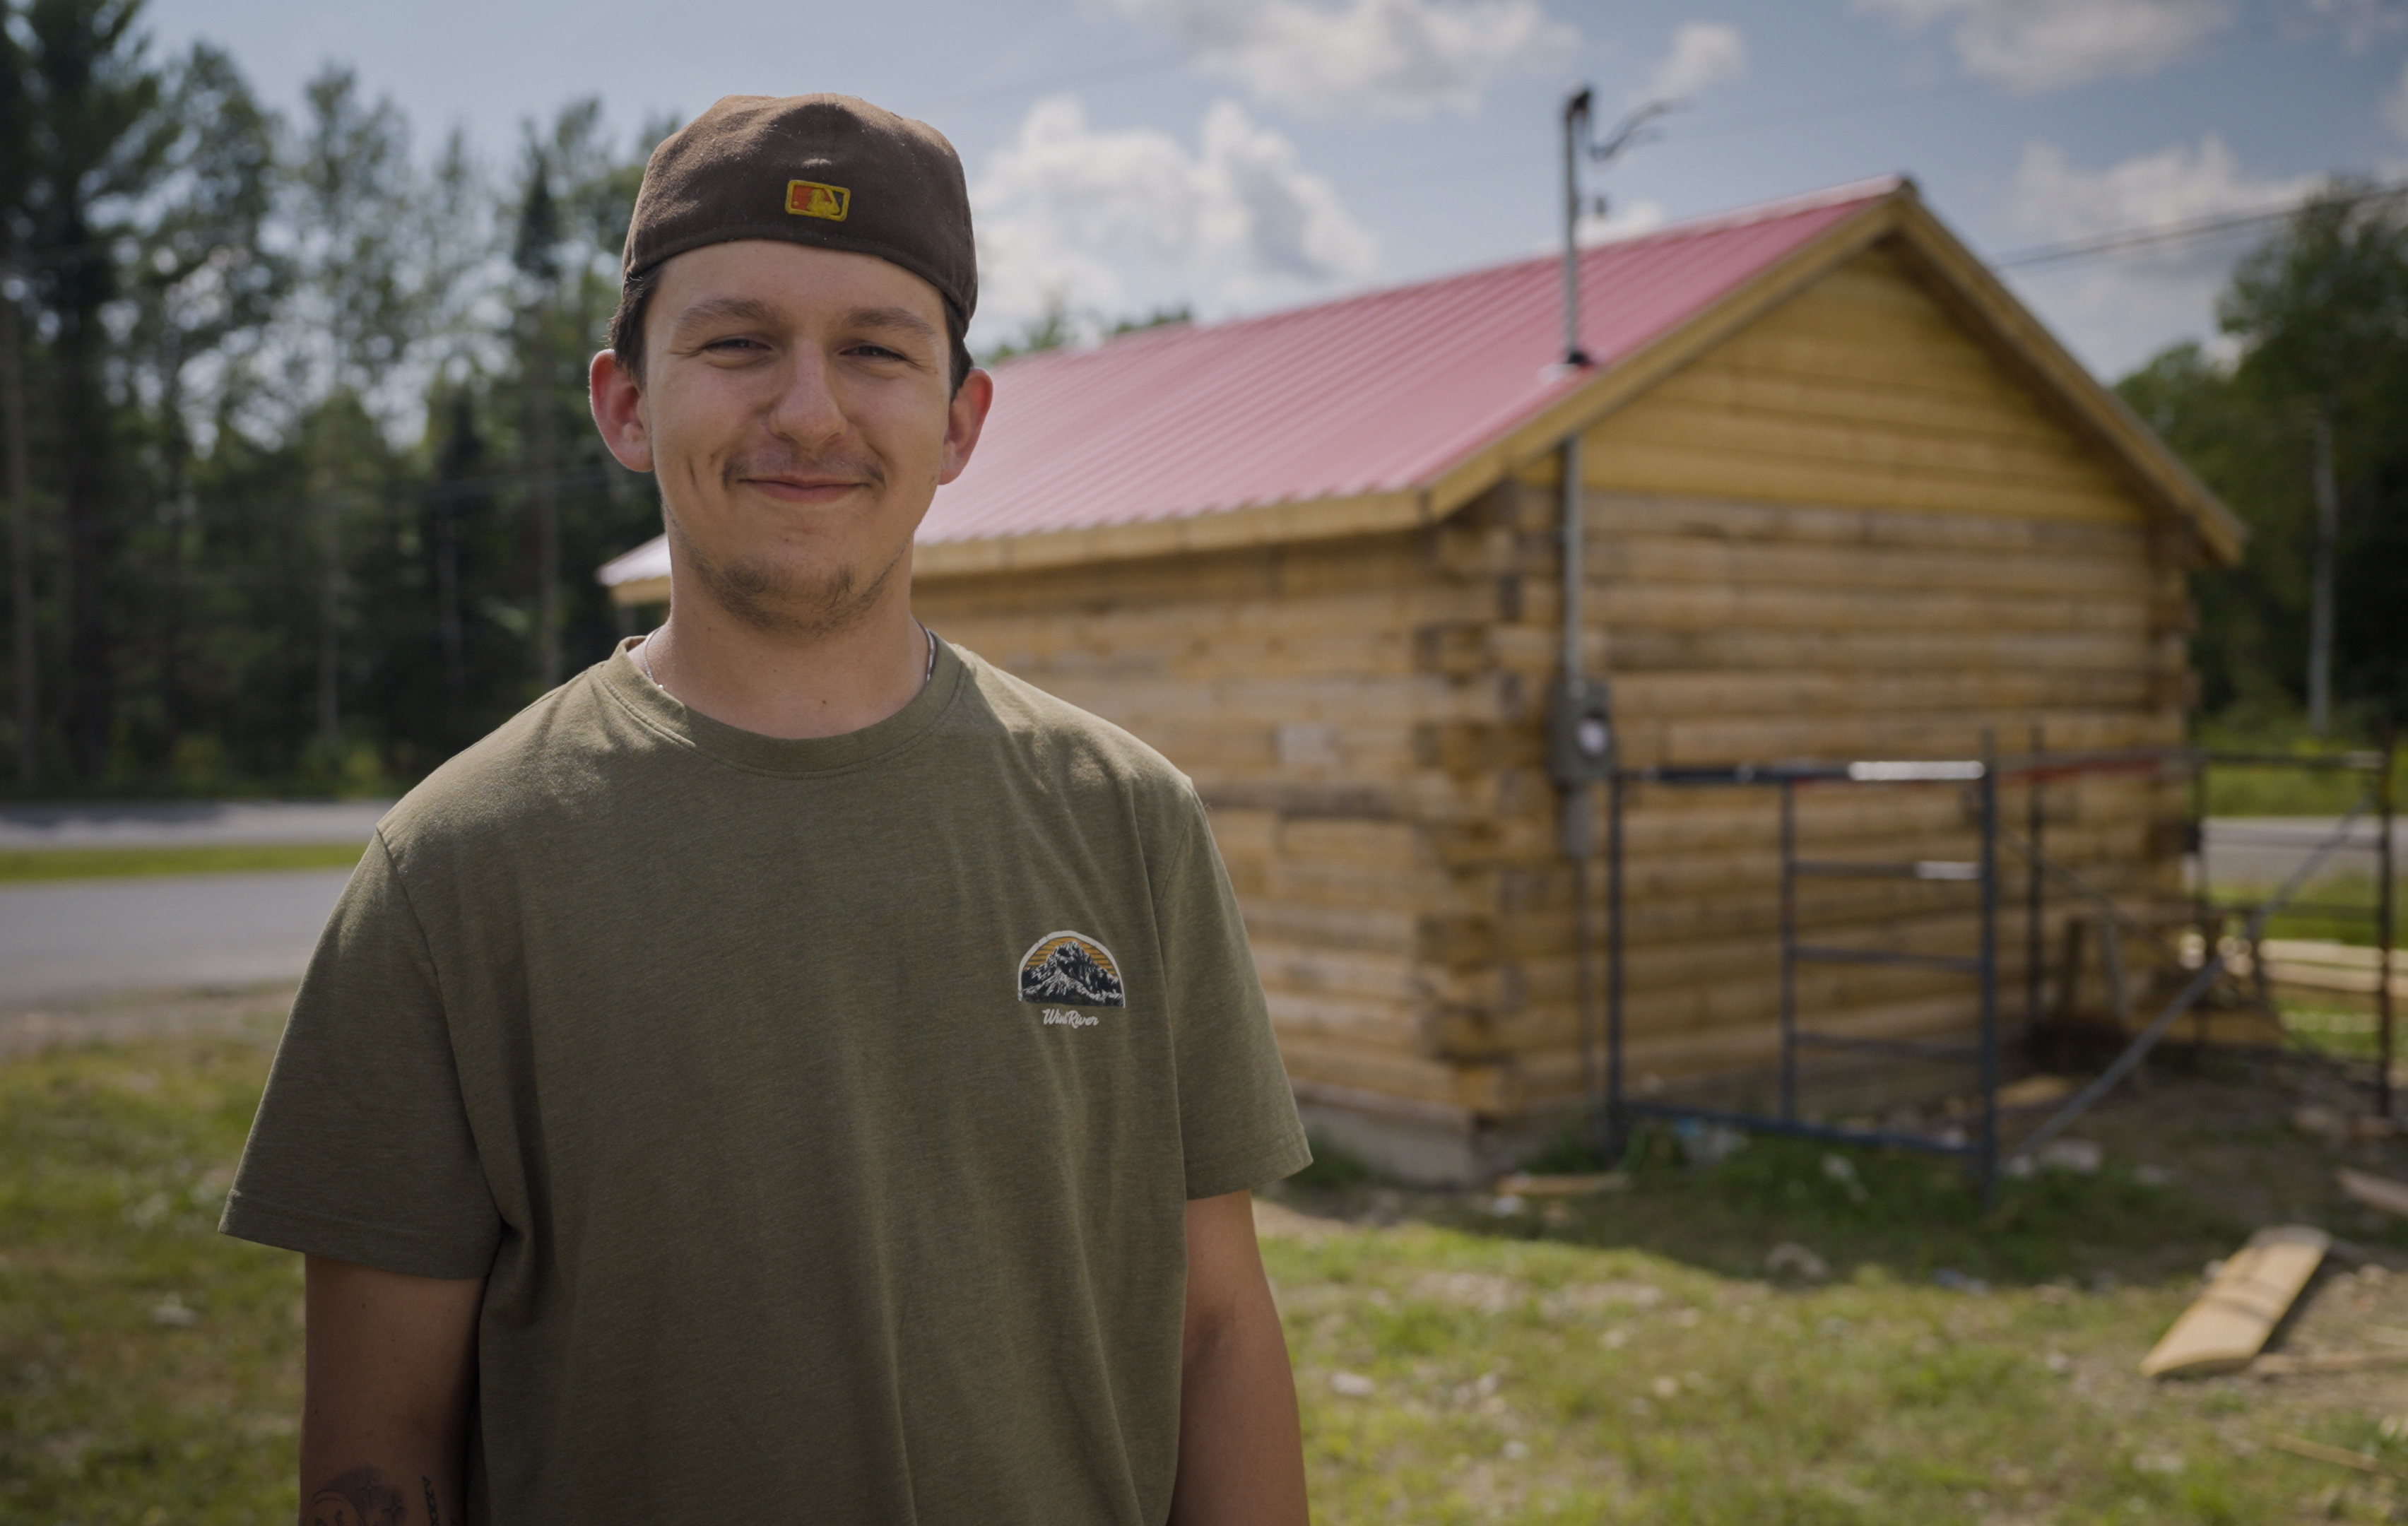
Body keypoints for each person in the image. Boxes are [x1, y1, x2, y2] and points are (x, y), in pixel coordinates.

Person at [223, 93, 1313, 1526]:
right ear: (624, 401)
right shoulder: (454, 871)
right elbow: (383, 1443)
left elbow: (1217, 1331)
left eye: (875, 351)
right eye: (739, 344)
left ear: (962, 420)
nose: (810, 410)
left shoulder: (1129, 824)